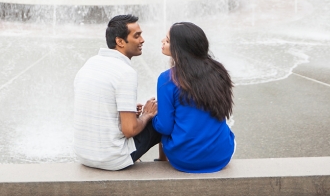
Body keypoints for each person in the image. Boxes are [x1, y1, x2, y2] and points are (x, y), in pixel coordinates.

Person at [73, 14, 160, 170]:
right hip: (112, 159)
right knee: (161, 117)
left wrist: (130, 109)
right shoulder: (126, 72)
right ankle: (165, 165)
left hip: (83, 155)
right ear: (120, 41)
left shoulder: (90, 63)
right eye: (137, 36)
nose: (142, 40)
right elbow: (129, 130)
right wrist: (147, 114)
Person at [152, 22, 235, 173]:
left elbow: (164, 126)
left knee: (158, 121)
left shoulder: (167, 79)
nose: (162, 41)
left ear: (180, 48)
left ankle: (160, 159)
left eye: (168, 40)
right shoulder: (219, 71)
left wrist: (151, 115)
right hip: (222, 155)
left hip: (184, 159)